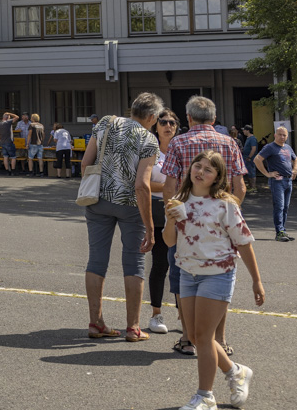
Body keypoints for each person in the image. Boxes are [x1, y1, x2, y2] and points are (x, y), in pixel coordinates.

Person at [163, 152, 262, 410]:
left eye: (208, 170)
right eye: (198, 166)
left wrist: (256, 281)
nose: (200, 172)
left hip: (218, 273)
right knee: (197, 337)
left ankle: (205, 397)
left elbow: (243, 243)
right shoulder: (180, 199)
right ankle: (236, 372)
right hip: (188, 273)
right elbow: (170, 241)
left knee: (204, 337)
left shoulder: (225, 204)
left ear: (217, 177)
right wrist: (170, 220)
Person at [161, 95, 248, 356]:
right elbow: (240, 186)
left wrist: (175, 215)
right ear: (214, 118)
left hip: (185, 221)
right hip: (221, 221)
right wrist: (227, 213)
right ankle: (219, 339)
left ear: (188, 118)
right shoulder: (229, 142)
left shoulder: (178, 142)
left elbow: (169, 186)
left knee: (182, 275)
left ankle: (187, 338)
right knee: (220, 277)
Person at [81, 93, 160, 342]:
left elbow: (85, 163)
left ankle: (96, 323)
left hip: (98, 201)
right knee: (134, 263)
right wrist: (150, 227)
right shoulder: (149, 139)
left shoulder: (106, 122)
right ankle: (133, 327)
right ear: (151, 117)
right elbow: (142, 185)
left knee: (96, 260)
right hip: (130, 206)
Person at [147, 109, 178, 337]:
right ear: (156, 126)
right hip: (157, 212)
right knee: (160, 264)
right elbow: (145, 182)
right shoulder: (151, 151)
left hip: (180, 211)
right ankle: (156, 314)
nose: (168, 125)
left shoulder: (181, 149)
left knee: (181, 265)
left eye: (172, 122)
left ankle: (183, 313)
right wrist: (170, 187)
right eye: (164, 122)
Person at [254, 126, 297, 242]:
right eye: (280, 134)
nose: (282, 137)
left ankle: (283, 230)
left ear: (287, 136)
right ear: (275, 135)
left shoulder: (288, 147)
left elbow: (296, 159)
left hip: (288, 181)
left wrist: (295, 170)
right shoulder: (270, 147)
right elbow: (257, 159)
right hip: (277, 181)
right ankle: (279, 232)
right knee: (279, 206)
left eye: (284, 135)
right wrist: (267, 174)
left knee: (285, 207)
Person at [0, 111, 19, 176]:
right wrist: (9, 113)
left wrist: (0, 140)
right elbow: (17, 117)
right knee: (13, 157)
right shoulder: (8, 122)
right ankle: (13, 171)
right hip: (9, 142)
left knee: (5, 157)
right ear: (7, 117)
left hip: (3, 142)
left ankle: (7, 171)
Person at [239, 126, 258, 192]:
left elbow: (253, 148)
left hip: (250, 158)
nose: (243, 131)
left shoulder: (252, 138)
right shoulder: (248, 138)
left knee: (251, 172)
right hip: (246, 157)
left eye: (244, 130)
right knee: (248, 172)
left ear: (248, 130)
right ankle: (250, 186)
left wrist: (249, 157)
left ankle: (253, 187)